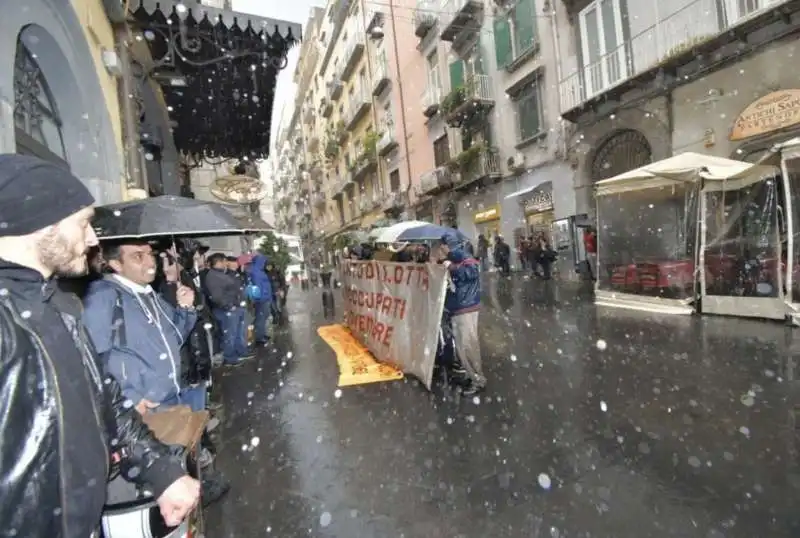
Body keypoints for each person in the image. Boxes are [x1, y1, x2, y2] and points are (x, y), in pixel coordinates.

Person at [0, 154, 199, 537]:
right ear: (39, 224)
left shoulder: (59, 306)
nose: (92, 239)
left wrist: (160, 471)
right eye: (83, 224)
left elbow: (103, 398)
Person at [438, 231, 485, 395]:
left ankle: (478, 380)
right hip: (460, 307)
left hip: (465, 307)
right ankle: (472, 375)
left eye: (441, 245)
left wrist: (450, 266)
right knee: (462, 347)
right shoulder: (455, 257)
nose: (439, 248)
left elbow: (471, 272)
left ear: (446, 245)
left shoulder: (461, 255)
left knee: (467, 346)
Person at [204, 252, 249, 365]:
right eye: (224, 261)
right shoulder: (213, 276)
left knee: (238, 332)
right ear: (219, 262)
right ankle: (230, 357)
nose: (226, 264)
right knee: (230, 334)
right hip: (227, 310)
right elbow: (216, 296)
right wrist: (229, 306)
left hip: (235, 307)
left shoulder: (221, 274)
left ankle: (240, 351)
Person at [246, 253, 274, 345]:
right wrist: (262, 297)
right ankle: (259, 337)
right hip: (262, 299)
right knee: (261, 318)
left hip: (264, 297)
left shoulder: (257, 270)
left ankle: (261, 334)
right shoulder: (256, 271)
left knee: (263, 317)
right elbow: (258, 286)